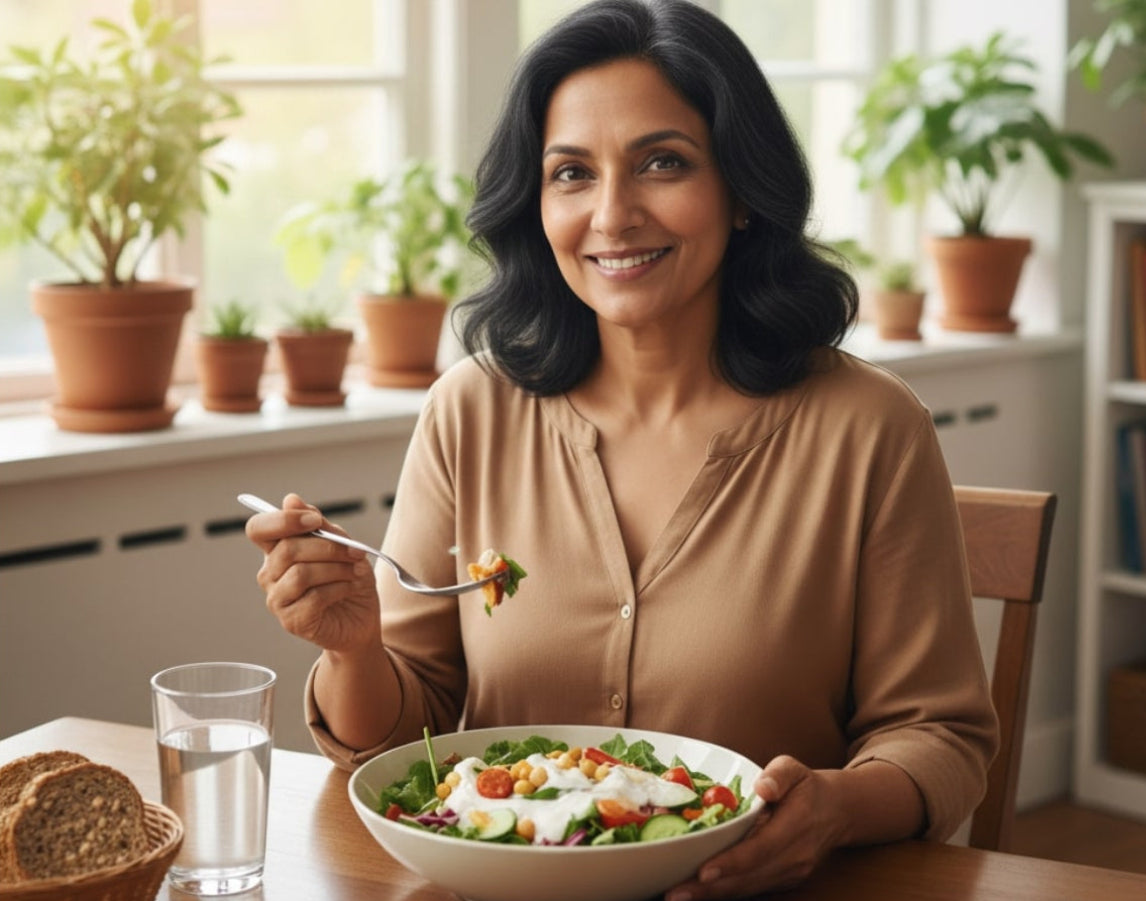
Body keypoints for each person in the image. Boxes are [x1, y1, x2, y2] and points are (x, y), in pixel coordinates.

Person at [245, 1, 999, 897]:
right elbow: (408, 741)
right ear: (536, 203)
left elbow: (940, 736)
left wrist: (834, 808)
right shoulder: (469, 411)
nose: (613, 214)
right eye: (572, 172)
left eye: (662, 162)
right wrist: (355, 651)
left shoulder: (870, 427)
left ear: (742, 190)